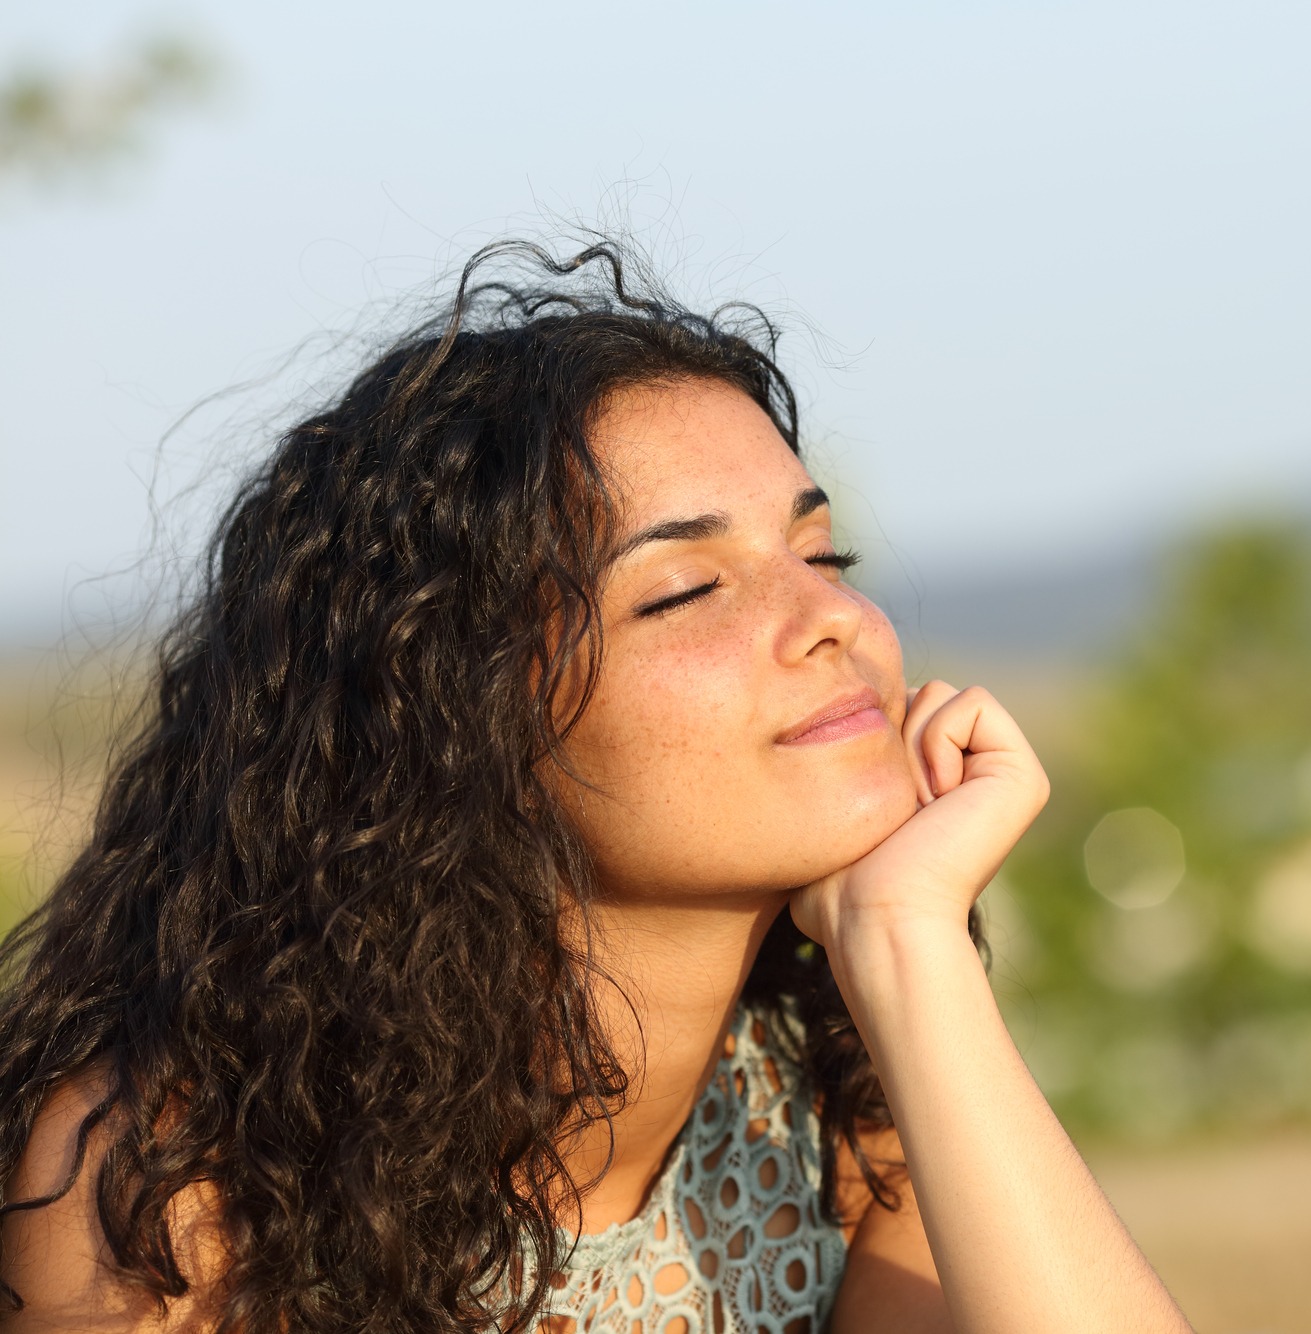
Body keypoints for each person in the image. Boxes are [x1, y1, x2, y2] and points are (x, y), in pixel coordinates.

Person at [0, 241, 1192, 1334]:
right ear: (457, 719)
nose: (833, 619)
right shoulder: (175, 1195)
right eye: (686, 590)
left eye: (823, 555)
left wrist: (904, 942)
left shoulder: (838, 1106)